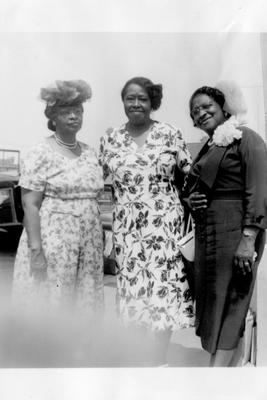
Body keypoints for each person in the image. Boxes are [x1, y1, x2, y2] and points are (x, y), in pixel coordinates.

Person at [99, 77, 195, 367]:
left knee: (162, 291)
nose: (136, 104)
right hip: (128, 228)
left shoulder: (170, 134)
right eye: (130, 98)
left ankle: (159, 361)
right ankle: (140, 359)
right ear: (123, 102)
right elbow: (97, 182)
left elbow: (190, 177)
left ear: (153, 102)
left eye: (142, 98)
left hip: (165, 224)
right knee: (135, 293)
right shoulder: (110, 139)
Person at [186, 82, 267, 367]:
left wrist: (248, 240)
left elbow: (257, 190)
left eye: (207, 106)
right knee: (214, 302)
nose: (200, 113)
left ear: (224, 108)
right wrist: (192, 198)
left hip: (236, 232)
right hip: (210, 236)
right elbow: (196, 186)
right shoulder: (208, 147)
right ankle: (224, 369)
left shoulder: (245, 137)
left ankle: (216, 374)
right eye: (194, 111)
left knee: (231, 301)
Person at [12, 80, 105, 317]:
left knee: (83, 307)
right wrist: (36, 251)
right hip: (55, 244)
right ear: (53, 117)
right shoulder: (40, 151)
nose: (74, 116)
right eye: (66, 112)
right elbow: (30, 205)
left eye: (78, 111)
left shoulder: (89, 151)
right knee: (54, 304)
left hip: (89, 244)